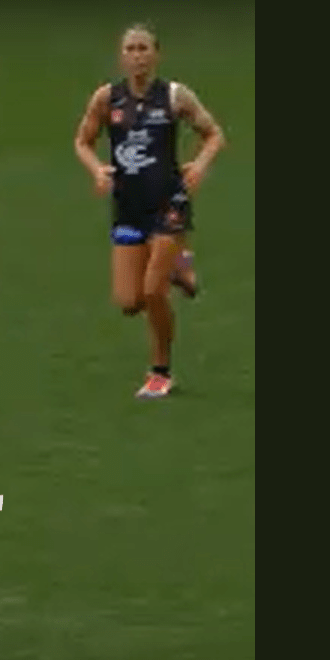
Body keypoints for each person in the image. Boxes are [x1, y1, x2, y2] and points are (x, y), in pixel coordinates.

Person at [73, 23, 227, 398]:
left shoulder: (174, 96)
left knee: (153, 292)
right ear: (121, 57)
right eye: (131, 49)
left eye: (144, 48)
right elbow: (82, 141)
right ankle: (178, 265)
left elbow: (214, 134)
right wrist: (97, 170)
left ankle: (161, 371)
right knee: (129, 302)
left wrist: (200, 165)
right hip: (128, 207)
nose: (138, 56)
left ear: (156, 55)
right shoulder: (107, 99)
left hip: (169, 203)